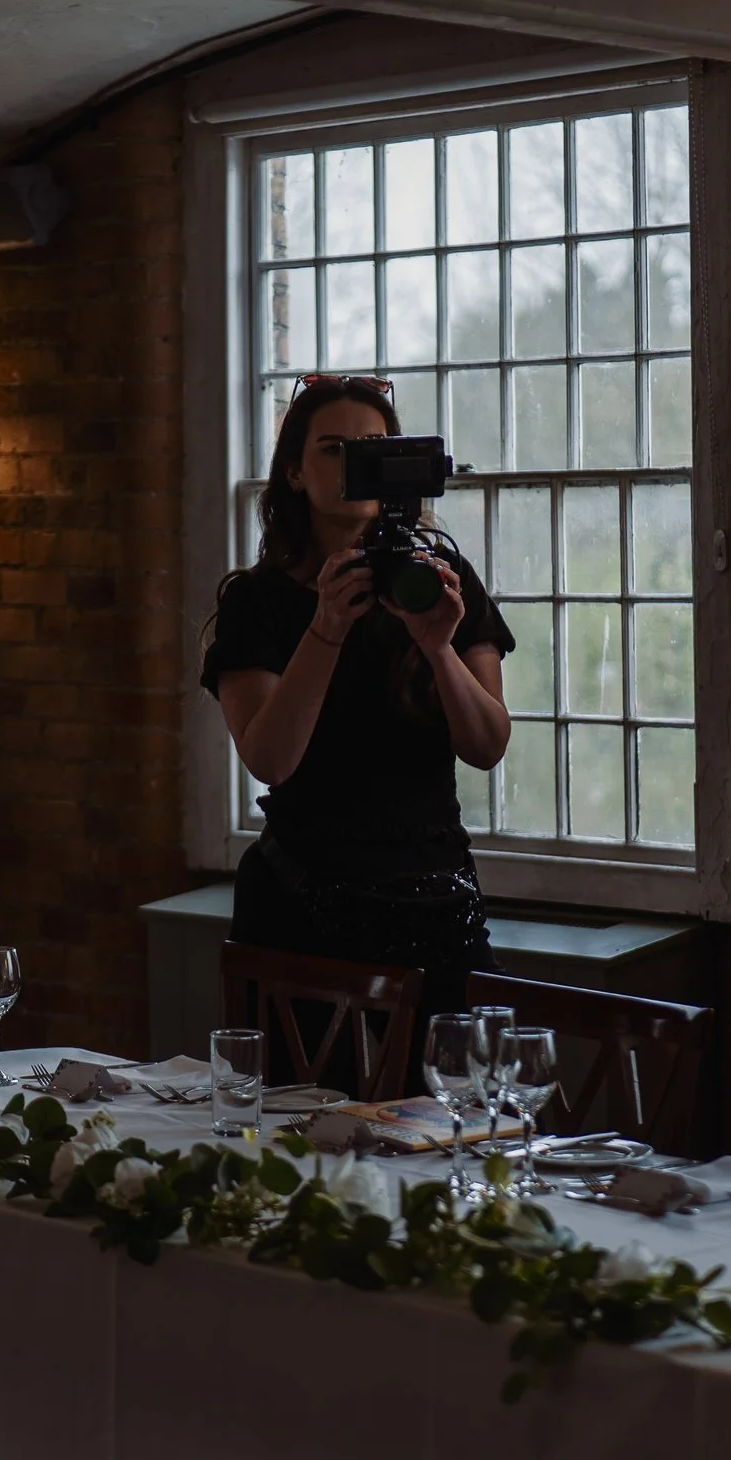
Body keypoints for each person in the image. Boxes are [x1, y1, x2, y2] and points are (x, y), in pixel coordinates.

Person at [199, 375, 514, 1066]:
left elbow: (487, 744)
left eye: (372, 450)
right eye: (334, 449)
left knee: (466, 1122)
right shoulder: (258, 603)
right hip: (304, 909)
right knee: (302, 1141)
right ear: (293, 470)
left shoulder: (443, 580)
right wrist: (327, 629)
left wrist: (437, 647)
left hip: (435, 901)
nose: (354, 468)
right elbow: (270, 758)